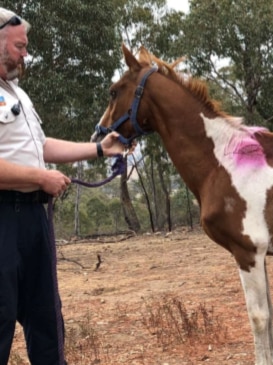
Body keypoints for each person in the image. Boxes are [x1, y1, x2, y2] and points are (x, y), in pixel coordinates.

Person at [0, 8, 126, 365]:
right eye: (19, 46)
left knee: (46, 317)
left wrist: (101, 148)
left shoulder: (17, 94)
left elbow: (40, 147)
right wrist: (41, 177)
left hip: (33, 219)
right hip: (3, 220)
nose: (25, 54)